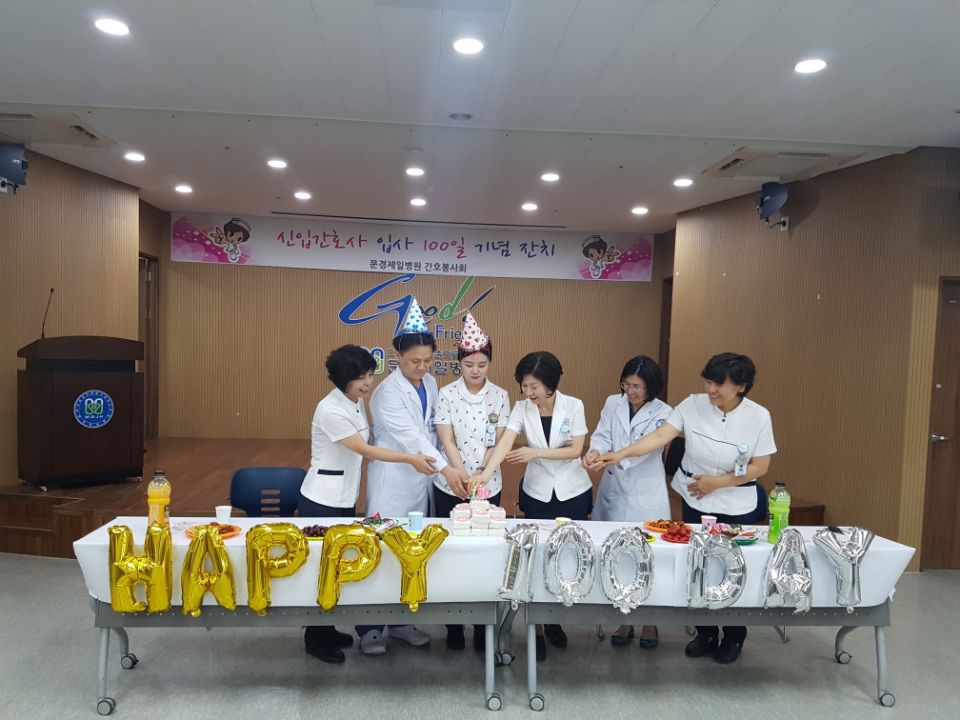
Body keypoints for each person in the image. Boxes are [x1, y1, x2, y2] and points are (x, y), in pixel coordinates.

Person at [598, 352, 776, 664]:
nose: (711, 390)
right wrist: (620, 454)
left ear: (742, 386)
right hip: (696, 498)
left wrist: (717, 483)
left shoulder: (758, 416)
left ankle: (734, 636)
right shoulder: (692, 405)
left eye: (719, 385)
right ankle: (705, 633)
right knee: (701, 565)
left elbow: (760, 466)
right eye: (709, 382)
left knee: (734, 567)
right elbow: (659, 436)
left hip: (736, 502)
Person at [299, 344, 438, 664]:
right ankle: (315, 639)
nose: (367, 383)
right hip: (322, 499)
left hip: (344, 497)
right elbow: (365, 449)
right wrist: (410, 458)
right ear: (341, 379)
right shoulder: (330, 410)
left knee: (337, 563)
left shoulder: (355, 401)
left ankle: (328, 629)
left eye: (369, 376)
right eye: (360, 378)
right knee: (323, 566)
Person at [356, 299, 467, 655]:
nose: (422, 367)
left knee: (410, 552)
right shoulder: (387, 393)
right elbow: (412, 439)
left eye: (427, 361)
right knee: (381, 550)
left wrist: (452, 463)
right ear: (397, 357)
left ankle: (401, 622)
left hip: (420, 481)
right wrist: (448, 469)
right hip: (392, 483)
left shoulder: (430, 382)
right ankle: (370, 628)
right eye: (414, 361)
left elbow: (433, 430)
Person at [470, 351, 591, 661]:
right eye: (524, 386)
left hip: (572, 492)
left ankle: (554, 621)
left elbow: (575, 450)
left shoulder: (573, 405)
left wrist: (535, 453)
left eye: (534, 386)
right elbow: (505, 443)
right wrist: (484, 472)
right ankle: (536, 627)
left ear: (551, 383)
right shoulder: (522, 408)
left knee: (565, 558)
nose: (528, 392)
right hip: (537, 493)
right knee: (536, 559)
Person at [582, 355, 672, 650]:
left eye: (637, 386)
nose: (630, 391)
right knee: (617, 557)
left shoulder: (664, 413)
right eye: (627, 384)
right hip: (614, 486)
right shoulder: (613, 402)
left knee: (646, 558)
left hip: (645, 493)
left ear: (651, 387)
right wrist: (595, 452)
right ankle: (624, 619)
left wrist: (614, 457)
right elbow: (602, 434)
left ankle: (650, 622)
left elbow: (646, 449)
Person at [434, 313, 510, 651]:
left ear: (489, 363)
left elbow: (498, 440)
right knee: (450, 552)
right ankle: (453, 625)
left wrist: (481, 474)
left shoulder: (500, 396)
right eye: (469, 365)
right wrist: (461, 473)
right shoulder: (447, 394)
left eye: (482, 364)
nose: (476, 370)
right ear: (459, 364)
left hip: (488, 483)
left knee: (484, 553)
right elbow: (446, 439)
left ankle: (483, 626)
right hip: (452, 482)